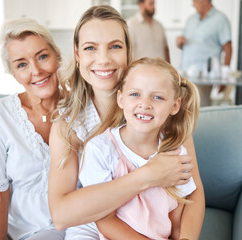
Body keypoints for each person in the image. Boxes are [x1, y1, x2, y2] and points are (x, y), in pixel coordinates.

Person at [48, 5, 205, 239]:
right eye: (90, 48)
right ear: (78, 54)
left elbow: (193, 192)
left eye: (115, 47)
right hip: (93, 226)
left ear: (128, 51)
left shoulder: (160, 115)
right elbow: (61, 215)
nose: (103, 59)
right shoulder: (67, 125)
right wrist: (148, 175)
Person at [0, 18, 66, 240]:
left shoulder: (83, 110)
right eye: (22, 64)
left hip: (57, 225)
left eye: (42, 56)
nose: (36, 70)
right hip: (9, 221)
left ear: (57, 56)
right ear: (13, 73)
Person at [79, 57, 203, 240]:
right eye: (135, 94)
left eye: (158, 97)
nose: (145, 104)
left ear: (174, 106)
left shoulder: (175, 152)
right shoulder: (100, 150)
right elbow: (105, 220)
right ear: (120, 99)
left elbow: (178, 214)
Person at [176, 0, 232, 106]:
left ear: (204, 1)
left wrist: (224, 77)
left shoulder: (220, 19)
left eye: (195, 1)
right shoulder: (191, 20)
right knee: (182, 111)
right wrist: (180, 43)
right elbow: (183, 45)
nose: (192, 4)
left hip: (204, 76)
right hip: (185, 73)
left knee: (200, 110)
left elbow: (228, 48)